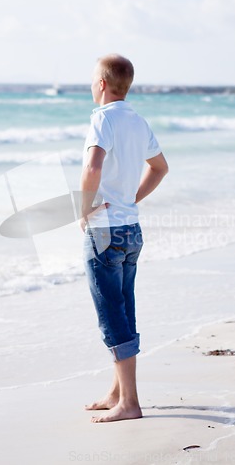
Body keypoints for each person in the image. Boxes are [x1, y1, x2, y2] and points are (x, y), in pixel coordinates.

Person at [81, 54, 168, 423]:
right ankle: (117, 392)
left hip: (104, 231)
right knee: (124, 308)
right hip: (131, 230)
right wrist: (131, 200)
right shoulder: (137, 120)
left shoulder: (102, 118)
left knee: (112, 317)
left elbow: (92, 166)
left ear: (101, 84)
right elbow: (160, 168)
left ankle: (130, 403)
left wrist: (84, 209)